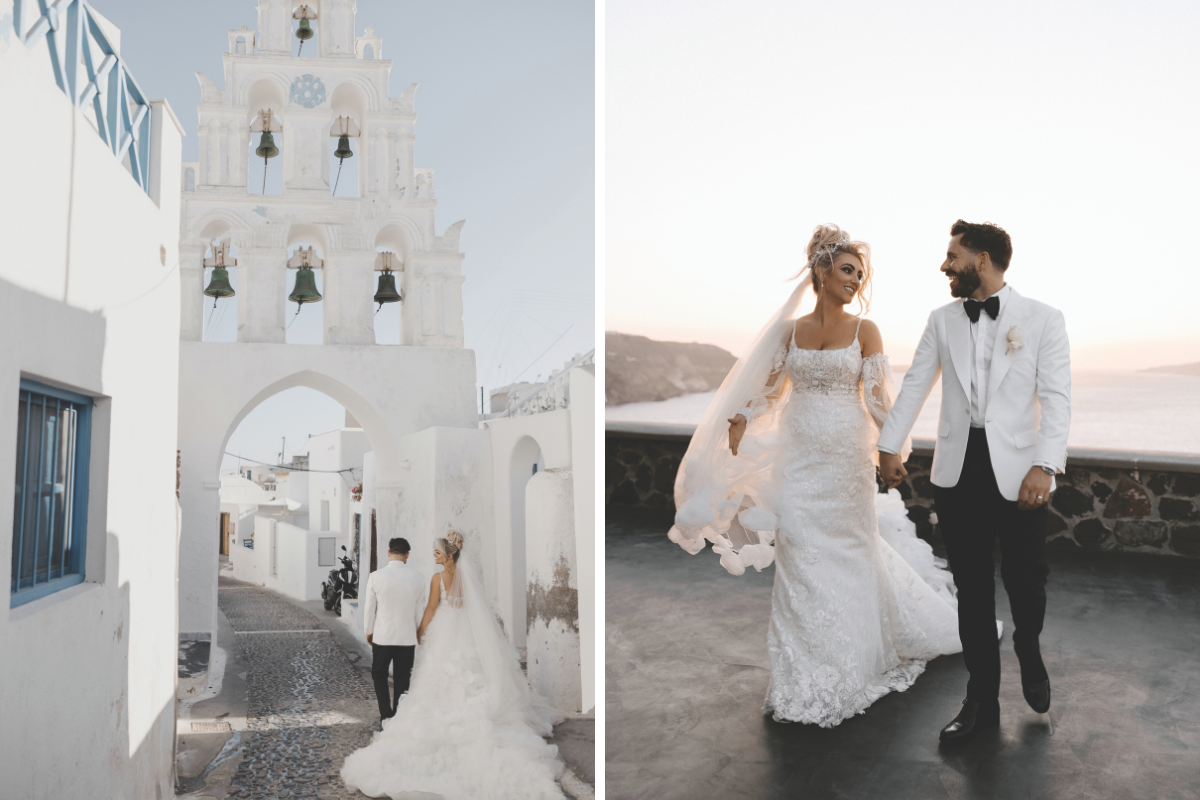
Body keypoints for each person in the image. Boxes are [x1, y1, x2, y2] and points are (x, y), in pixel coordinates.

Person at [670, 224, 962, 729]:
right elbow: (767, 389)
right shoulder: (792, 332)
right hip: (800, 461)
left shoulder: (864, 330)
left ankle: (855, 661)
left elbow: (876, 399)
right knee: (801, 554)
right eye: (847, 270)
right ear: (822, 271)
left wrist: (889, 448)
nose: (855, 280)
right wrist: (740, 416)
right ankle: (799, 674)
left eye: (860, 274)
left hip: (846, 462)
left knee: (850, 554)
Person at [878, 220, 1070, 745]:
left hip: (1022, 472)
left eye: (952, 255)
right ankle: (981, 699)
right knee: (972, 589)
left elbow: (1056, 400)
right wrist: (888, 445)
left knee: (1027, 581)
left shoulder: (1043, 319)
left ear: (981, 259)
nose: (945, 265)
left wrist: (1045, 465)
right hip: (958, 472)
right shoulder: (941, 320)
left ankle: (1028, 649)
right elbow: (916, 381)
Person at [341, 531, 566, 799]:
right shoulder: (465, 578)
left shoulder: (437, 578)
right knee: (468, 673)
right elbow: (472, 609)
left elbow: (431, 608)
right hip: (465, 633)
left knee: (435, 675)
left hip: (443, 633)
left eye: (437, 552)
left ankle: (397, 715)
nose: (434, 556)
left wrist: (422, 632)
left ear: (447, 555)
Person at [363, 536, 425, 722]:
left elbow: (369, 609)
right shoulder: (418, 577)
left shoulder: (375, 576)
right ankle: (399, 718)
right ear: (407, 555)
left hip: (382, 635)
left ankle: (385, 716)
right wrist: (418, 633)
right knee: (402, 678)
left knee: (379, 675)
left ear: (389, 553)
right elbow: (419, 611)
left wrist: (368, 631)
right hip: (407, 637)